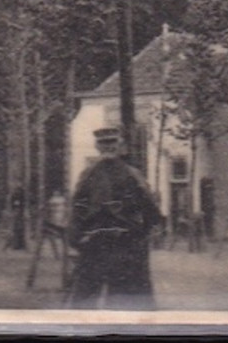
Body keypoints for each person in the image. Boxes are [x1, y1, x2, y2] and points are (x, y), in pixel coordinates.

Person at [67, 126, 162, 308]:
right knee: (87, 301)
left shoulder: (132, 175)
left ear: (120, 146)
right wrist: (75, 239)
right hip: (97, 245)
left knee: (125, 299)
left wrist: (146, 229)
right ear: (97, 146)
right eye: (104, 143)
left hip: (125, 244)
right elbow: (78, 207)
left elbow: (149, 206)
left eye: (112, 143)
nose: (108, 147)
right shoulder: (88, 176)